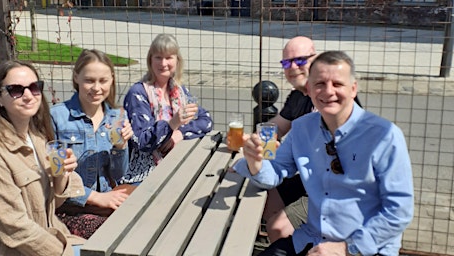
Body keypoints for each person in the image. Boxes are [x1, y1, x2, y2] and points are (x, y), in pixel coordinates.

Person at [233, 51, 414, 255]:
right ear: (309, 89)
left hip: (365, 248)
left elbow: (399, 210)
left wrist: (346, 248)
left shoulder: (385, 136)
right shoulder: (302, 128)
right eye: (320, 84)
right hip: (312, 238)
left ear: (353, 89)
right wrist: (254, 162)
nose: (328, 92)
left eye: (337, 84)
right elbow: (275, 172)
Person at [0, 60, 85, 255]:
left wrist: (62, 174)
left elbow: (54, 203)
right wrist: (65, 252)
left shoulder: (38, 140)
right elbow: (14, 227)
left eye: (35, 87)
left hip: (52, 241)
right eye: (16, 90)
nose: (28, 95)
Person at [262, 36, 364, 242]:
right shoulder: (300, 95)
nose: (292, 67)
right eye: (286, 62)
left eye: (300, 60)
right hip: (312, 177)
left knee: (279, 227)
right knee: (266, 195)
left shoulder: (329, 99)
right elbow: (277, 127)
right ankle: (295, 244)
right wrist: (254, 146)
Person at [50, 49, 135, 239]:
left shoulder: (116, 116)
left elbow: (119, 174)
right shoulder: (57, 117)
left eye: (103, 81)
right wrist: (95, 197)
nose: (96, 88)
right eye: (89, 80)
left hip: (107, 202)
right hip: (70, 208)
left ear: (111, 80)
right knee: (114, 235)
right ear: (76, 78)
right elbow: (53, 178)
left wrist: (121, 147)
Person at [122, 33, 213, 184]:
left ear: (177, 61)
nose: (163, 63)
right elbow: (142, 141)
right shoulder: (138, 93)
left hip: (178, 162)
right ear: (150, 60)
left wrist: (179, 133)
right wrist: (172, 124)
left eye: (169, 57)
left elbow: (206, 121)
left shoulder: (179, 90)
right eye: (158, 57)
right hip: (145, 173)